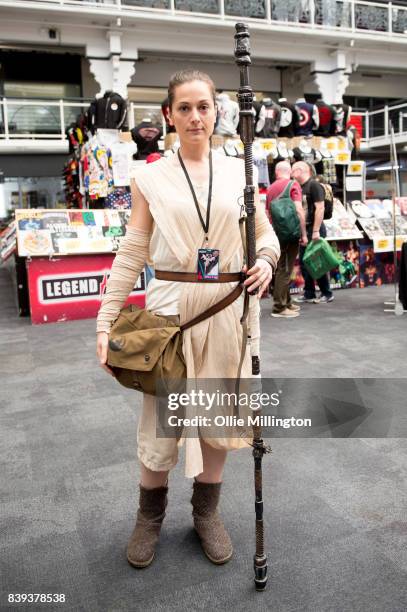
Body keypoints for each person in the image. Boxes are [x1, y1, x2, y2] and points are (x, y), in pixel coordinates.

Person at [96, 70, 280, 569]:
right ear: (168, 116)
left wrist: (265, 260)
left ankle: (206, 513)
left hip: (226, 312)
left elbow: (265, 236)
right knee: (162, 424)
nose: (196, 117)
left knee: (218, 418)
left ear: (217, 110)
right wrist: (105, 319)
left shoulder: (241, 170)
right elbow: (133, 250)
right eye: (185, 108)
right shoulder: (150, 177)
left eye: (204, 106)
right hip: (170, 314)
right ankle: (148, 518)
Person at [266, 160, 307, 318]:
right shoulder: (293, 185)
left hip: (276, 233)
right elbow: (298, 209)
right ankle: (279, 307)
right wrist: (303, 234)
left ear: (276, 172)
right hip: (290, 233)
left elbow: (268, 213)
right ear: (289, 172)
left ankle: (287, 301)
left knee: (282, 268)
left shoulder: (270, 188)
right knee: (285, 269)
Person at [291, 161, 334, 303]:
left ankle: (326, 293)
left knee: (318, 261)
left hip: (314, 229)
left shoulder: (314, 185)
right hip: (305, 229)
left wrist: (315, 231)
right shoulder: (299, 187)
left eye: (293, 170)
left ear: (301, 170)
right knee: (305, 262)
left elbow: (320, 208)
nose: (291, 173)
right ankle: (309, 293)